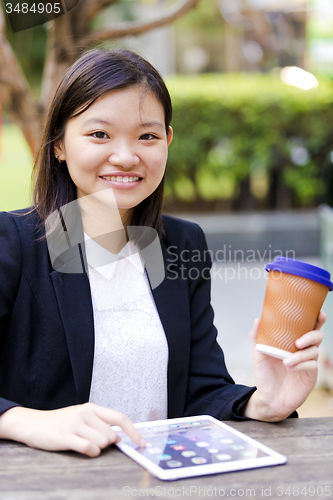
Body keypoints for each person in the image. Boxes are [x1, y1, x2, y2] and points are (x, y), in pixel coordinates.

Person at [0, 49, 325, 458]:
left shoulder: (180, 245)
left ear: (167, 141)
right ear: (59, 145)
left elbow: (198, 390)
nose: (125, 156)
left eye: (147, 136)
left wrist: (264, 402)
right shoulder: (12, 242)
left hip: (159, 483)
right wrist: (26, 420)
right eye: (99, 134)